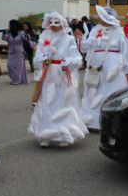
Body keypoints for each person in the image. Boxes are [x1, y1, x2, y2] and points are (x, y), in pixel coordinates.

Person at [29, 12, 89, 147]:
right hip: (48, 73)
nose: (54, 25)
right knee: (47, 101)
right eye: (51, 22)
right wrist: (41, 58)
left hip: (62, 74)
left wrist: (69, 61)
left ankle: (64, 133)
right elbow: (37, 56)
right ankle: (46, 133)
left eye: (57, 22)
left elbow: (77, 58)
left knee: (63, 102)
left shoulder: (69, 39)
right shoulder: (44, 37)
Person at [77, 5, 128, 130]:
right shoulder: (95, 29)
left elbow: (125, 52)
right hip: (95, 64)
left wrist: (127, 69)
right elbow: (85, 48)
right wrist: (81, 38)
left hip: (113, 64)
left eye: (101, 17)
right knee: (94, 89)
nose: (99, 19)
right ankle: (92, 120)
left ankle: (111, 122)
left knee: (111, 89)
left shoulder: (119, 31)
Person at [2, 20, 29, 85]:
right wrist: (4, 33)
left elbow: (27, 39)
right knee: (9, 65)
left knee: (19, 67)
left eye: (10, 25)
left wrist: (25, 33)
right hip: (11, 51)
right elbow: (4, 39)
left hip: (19, 51)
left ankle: (17, 80)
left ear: (13, 25)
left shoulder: (21, 33)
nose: (8, 26)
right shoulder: (9, 33)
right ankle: (14, 78)